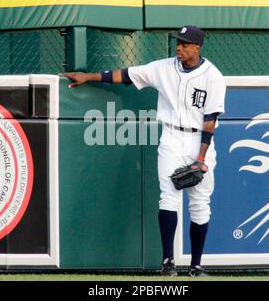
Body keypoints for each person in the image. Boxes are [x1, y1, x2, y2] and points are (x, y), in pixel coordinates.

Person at [62, 25, 226, 277]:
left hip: (199, 142)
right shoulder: (163, 68)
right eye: (177, 42)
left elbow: (210, 120)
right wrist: (89, 77)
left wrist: (200, 160)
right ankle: (168, 262)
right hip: (172, 136)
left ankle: (196, 266)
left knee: (200, 203)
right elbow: (126, 75)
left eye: (184, 43)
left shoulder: (213, 76)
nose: (178, 47)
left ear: (197, 47)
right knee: (168, 197)